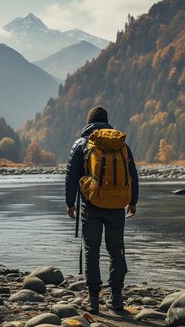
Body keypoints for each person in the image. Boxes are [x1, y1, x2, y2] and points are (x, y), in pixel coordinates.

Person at [65, 106, 139, 313]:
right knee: (116, 250)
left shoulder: (82, 143)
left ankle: (94, 300)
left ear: (88, 122)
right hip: (117, 206)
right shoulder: (120, 143)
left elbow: (71, 176)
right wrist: (133, 201)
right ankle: (117, 298)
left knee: (92, 250)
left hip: (92, 205)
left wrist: (70, 203)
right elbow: (133, 173)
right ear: (107, 121)